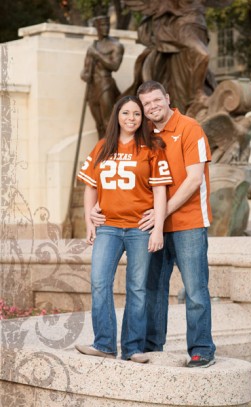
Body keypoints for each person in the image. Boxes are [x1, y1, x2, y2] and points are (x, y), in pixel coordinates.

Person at [91, 80, 216, 368]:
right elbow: (121, 172)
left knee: (195, 290)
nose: (152, 107)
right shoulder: (142, 134)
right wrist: (100, 205)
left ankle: (201, 350)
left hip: (188, 223)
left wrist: (161, 214)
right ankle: (150, 345)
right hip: (148, 227)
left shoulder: (190, 128)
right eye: (146, 104)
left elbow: (194, 179)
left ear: (167, 99)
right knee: (151, 289)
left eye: (156, 101)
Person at [76, 95, 172, 363]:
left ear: (142, 119)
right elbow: (90, 186)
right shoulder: (103, 146)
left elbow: (160, 190)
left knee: (138, 288)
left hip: (140, 228)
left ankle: (133, 349)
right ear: (117, 115)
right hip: (108, 227)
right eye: (126, 113)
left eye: (137, 114)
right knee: (99, 282)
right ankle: (105, 344)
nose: (131, 118)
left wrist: (158, 228)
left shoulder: (152, 147)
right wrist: (89, 219)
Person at [81, 15, 124, 140]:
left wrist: (98, 55)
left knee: (108, 122)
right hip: (92, 88)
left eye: (107, 25)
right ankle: (102, 152)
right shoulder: (92, 47)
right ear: (97, 27)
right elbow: (85, 69)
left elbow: (115, 66)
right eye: (102, 25)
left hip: (106, 84)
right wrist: (85, 75)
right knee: (99, 125)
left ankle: (112, 151)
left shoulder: (116, 45)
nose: (106, 28)